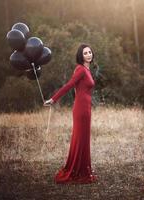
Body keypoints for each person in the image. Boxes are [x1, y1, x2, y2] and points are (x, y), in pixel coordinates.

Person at [44, 44, 97, 184]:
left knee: (83, 140)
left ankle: (83, 169)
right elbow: (69, 85)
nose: (89, 55)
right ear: (81, 56)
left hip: (86, 108)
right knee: (80, 139)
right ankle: (76, 170)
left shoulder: (87, 69)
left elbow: (80, 89)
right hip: (81, 109)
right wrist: (53, 99)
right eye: (85, 53)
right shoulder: (81, 69)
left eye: (90, 52)